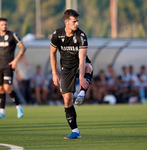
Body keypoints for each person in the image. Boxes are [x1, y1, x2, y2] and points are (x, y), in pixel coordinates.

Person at [50, 9, 93, 139]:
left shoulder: (81, 36)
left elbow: (82, 58)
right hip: (66, 68)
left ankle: (81, 93)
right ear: (66, 22)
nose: (76, 24)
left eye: (77, 21)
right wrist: (54, 73)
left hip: (80, 63)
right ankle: (75, 131)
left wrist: (80, 78)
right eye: (74, 21)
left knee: (88, 67)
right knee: (67, 101)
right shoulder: (57, 34)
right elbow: (52, 53)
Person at [0, 18, 26, 119]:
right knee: (0, 89)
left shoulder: (12, 35)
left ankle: (19, 107)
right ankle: (2, 112)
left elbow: (23, 47)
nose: (4, 26)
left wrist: (16, 60)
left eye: (5, 24)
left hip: (8, 66)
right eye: (2, 25)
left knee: (7, 88)